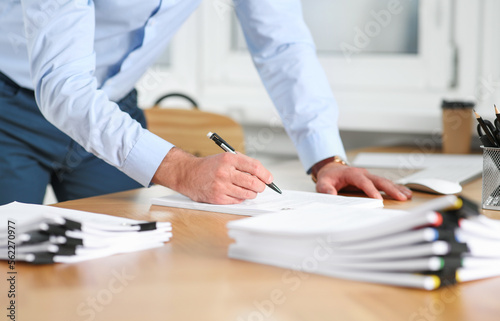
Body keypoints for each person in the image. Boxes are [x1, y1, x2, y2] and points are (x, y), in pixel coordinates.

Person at [0, 1, 412, 206]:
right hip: (9, 109)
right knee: (11, 272)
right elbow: (63, 84)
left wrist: (327, 160)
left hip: (112, 107)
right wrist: (179, 168)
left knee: (128, 269)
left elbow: (282, 46)